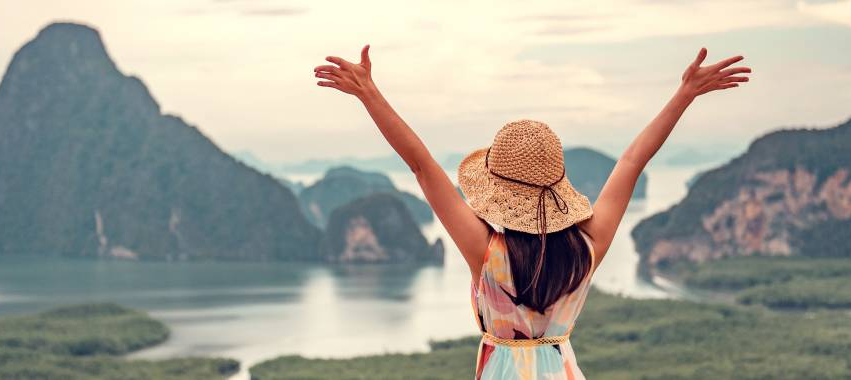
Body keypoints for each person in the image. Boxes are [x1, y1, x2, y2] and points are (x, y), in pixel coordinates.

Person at [313, 45, 749, 379]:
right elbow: (633, 162)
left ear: (498, 191)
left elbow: (422, 167)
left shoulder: (486, 252)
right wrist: (685, 94)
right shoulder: (588, 245)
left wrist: (369, 94)